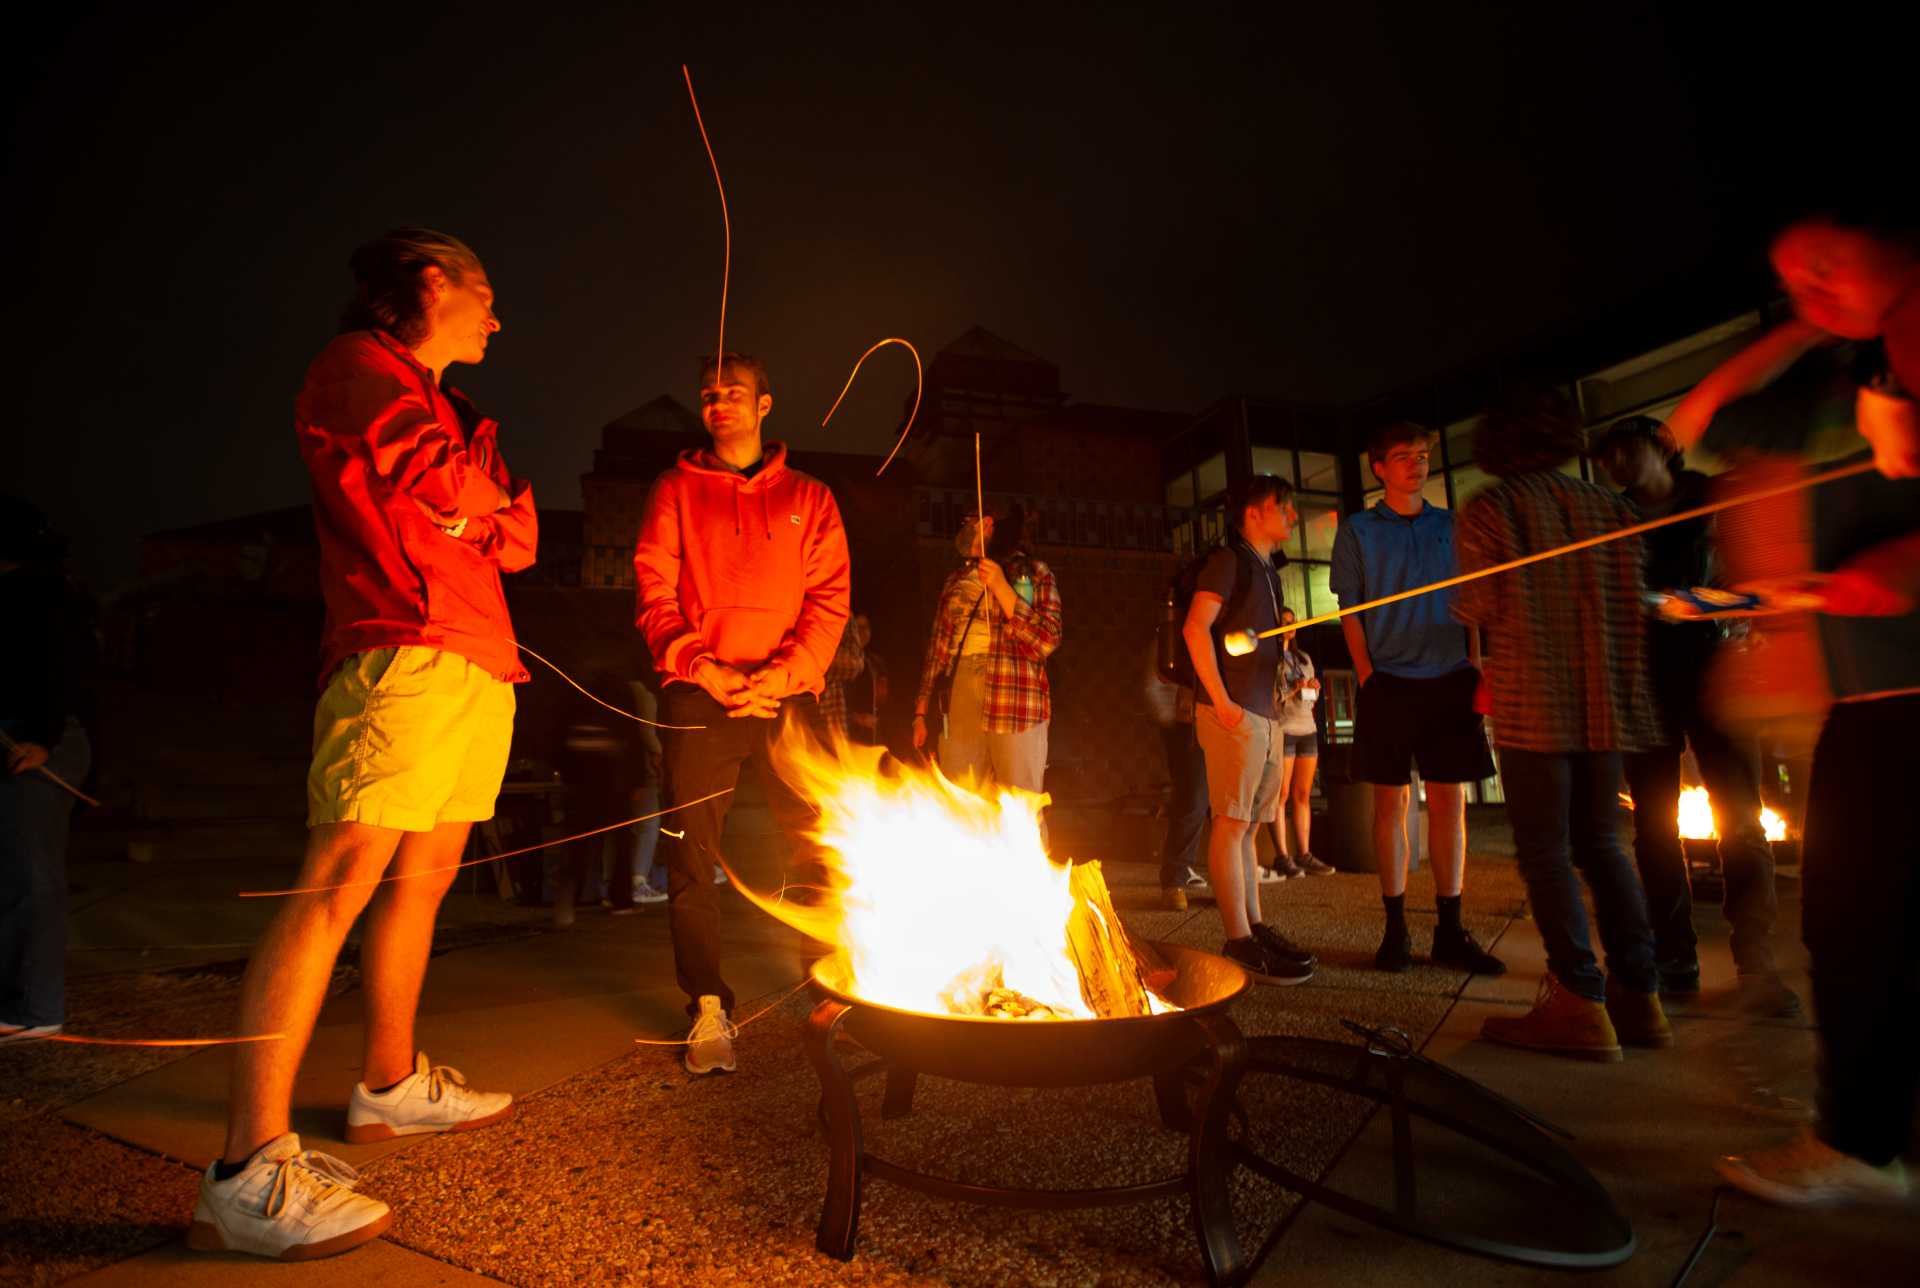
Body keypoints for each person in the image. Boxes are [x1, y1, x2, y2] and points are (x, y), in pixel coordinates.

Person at [193, 228, 531, 1260]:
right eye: (485, 293)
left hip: (479, 654)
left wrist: (476, 515)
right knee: (339, 875)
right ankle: (247, 1168)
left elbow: (516, 532)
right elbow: (441, 483)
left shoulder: (456, 403)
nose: (497, 317)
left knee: (422, 880)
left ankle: (387, 1085)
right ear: (431, 284)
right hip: (404, 646)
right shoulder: (358, 369)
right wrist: (472, 509)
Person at [1664, 207, 1920, 1207]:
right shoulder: (1851, 375)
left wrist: (1894, 571)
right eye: (1791, 279)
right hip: (1864, 692)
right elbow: (1695, 424)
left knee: (1861, 922)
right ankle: (1861, 1134)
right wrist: (1813, 322)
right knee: (1857, 926)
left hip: (1900, 694)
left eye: (1827, 264)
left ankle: (1861, 1139)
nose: (1811, 289)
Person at [634, 351, 850, 1078]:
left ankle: (829, 989)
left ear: (765, 405)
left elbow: (829, 600)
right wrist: (707, 667)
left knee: (819, 841)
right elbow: (654, 592)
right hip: (700, 695)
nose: (717, 403)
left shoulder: (811, 498)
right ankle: (705, 1005)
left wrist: (782, 677)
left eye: (733, 393)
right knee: (692, 856)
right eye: (707, 394)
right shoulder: (674, 490)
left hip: (787, 699)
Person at [1453, 389, 1668, 1062]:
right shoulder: (1612, 509)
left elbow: (1476, 604)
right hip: (1606, 700)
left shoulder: (1494, 510)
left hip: (1534, 702)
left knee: (1546, 852)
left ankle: (1578, 1002)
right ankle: (1641, 994)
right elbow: (1637, 599)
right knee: (1603, 842)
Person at [1592, 417, 1798, 1017]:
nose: (1613, 466)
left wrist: (1696, 605)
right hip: (1643, 682)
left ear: (1660, 448)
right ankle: (1674, 958)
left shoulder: (1716, 501)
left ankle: (1756, 964)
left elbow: (1765, 587)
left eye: (1621, 451)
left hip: (1717, 677)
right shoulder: (1614, 519)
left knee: (1742, 820)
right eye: (1605, 459)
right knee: (1653, 827)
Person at [1330, 422, 1504, 975]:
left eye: (1423, 455)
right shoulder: (1358, 530)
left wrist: (1474, 663)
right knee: (1391, 804)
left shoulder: (1450, 526)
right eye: (1403, 456)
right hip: (1389, 679)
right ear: (1378, 468)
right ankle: (1396, 927)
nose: (1417, 463)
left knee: (1450, 803)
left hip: (1450, 673)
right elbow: (1349, 608)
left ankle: (1450, 928)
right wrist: (1367, 676)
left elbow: (1472, 599)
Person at [1181, 474, 1315, 985]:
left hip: (1263, 710)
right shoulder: (1227, 561)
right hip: (1234, 712)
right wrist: (1221, 701)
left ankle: (1254, 928)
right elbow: (1195, 628)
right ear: (1256, 512)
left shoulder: (1267, 571)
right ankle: (1237, 939)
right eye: (1285, 507)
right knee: (1231, 822)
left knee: (1251, 823)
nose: (1293, 517)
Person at [0, 498, 94, 1047]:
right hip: (32, 739)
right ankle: (23, 1000)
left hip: (38, 745)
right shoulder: (34, 594)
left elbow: (61, 669)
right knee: (16, 871)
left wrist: (43, 735)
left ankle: (35, 1008)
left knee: (29, 877)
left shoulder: (43, 597)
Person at [911, 505, 1062, 808]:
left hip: (1014, 697)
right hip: (962, 690)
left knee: (1021, 805)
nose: (962, 527)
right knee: (961, 801)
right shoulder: (956, 580)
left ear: (987, 523)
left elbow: (1047, 639)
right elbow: (939, 647)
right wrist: (921, 710)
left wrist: (1002, 588)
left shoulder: (1034, 573)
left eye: (968, 521)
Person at [1259, 608, 1335, 880]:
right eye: (1284, 623)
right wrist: (1292, 688)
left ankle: (1304, 853)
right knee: (1281, 794)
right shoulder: (1270, 659)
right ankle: (1283, 856)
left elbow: (1311, 698)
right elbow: (1269, 697)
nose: (1289, 627)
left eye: (1293, 623)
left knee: (1303, 793)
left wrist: (1312, 687)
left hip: (1307, 727)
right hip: (1284, 727)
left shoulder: (1304, 658)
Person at [1144, 641, 1208, 910]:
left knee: (1228, 806)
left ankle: (1234, 884)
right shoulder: (1173, 636)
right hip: (1187, 727)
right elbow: (1153, 687)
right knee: (1193, 800)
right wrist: (1173, 722)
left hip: (1224, 720)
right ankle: (1175, 880)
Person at [818, 611, 869, 739]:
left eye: (866, 627)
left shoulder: (871, 666)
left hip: (834, 735)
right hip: (805, 727)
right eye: (859, 627)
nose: (862, 632)